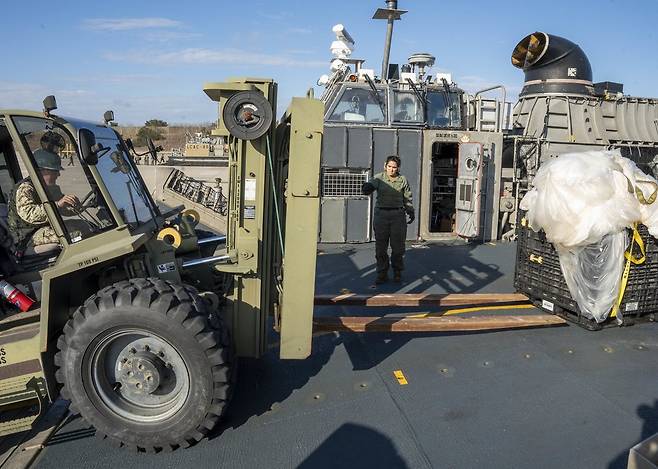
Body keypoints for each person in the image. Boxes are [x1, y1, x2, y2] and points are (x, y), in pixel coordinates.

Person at [8, 133, 81, 253]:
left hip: (42, 229)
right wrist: (58, 204)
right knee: (74, 234)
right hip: (25, 235)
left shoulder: (48, 188)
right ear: (42, 171)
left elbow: (62, 209)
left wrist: (77, 207)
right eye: (55, 171)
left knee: (83, 225)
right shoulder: (26, 188)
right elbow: (29, 214)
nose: (58, 174)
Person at [362, 155, 415, 284]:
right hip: (382, 215)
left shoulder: (403, 180)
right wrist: (367, 187)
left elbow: (407, 198)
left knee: (398, 248)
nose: (391, 169)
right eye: (389, 167)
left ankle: (397, 272)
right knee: (381, 248)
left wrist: (411, 211)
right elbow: (370, 186)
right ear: (385, 166)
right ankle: (382, 273)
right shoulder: (379, 178)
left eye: (394, 167)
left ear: (398, 168)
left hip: (398, 216)